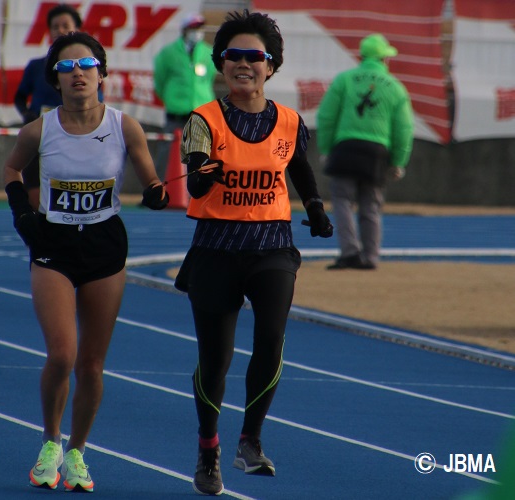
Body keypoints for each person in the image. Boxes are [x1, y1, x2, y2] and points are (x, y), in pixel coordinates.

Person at [172, 10, 334, 496]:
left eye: (254, 56)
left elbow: (298, 165)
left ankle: (251, 439)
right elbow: (195, 179)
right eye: (234, 55)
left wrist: (315, 206)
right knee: (215, 360)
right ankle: (208, 448)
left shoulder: (289, 120)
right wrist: (205, 175)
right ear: (221, 63)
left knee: (270, 340)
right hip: (216, 250)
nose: (244, 63)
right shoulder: (203, 120)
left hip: (272, 248)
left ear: (271, 66)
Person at [3, 31, 169, 492]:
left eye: (86, 65)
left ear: (102, 74)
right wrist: (21, 213)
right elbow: (11, 169)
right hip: (54, 246)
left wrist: (157, 194)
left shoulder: (124, 127)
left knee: (92, 365)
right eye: (66, 67)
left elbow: (153, 183)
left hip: (104, 246)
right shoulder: (39, 130)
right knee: (62, 354)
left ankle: (77, 452)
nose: (77, 73)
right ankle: (50, 442)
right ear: (55, 79)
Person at [316, 33, 414, 270]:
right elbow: (403, 129)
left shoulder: (344, 80)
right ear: (384, 59)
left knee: (342, 200)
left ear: (361, 56)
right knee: (371, 205)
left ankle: (349, 252)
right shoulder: (396, 87)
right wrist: (398, 161)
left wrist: (326, 149)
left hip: (346, 148)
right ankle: (370, 257)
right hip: (377, 152)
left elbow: (326, 117)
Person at [14, 4, 83, 209]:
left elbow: (96, 101)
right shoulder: (37, 66)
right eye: (55, 26)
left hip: (74, 139)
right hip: (40, 136)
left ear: (77, 29)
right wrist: (27, 114)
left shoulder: (86, 69)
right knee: (35, 192)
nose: (60, 30)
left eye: (65, 25)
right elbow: (20, 97)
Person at [152, 12, 216, 181]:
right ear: (184, 30)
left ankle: (199, 190)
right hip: (176, 114)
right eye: (193, 28)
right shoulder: (168, 53)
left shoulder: (209, 53)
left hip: (201, 114)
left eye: (200, 28)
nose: (197, 32)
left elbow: (209, 79)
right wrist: (173, 101)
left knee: (202, 154)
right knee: (167, 153)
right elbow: (160, 81)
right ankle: (160, 188)